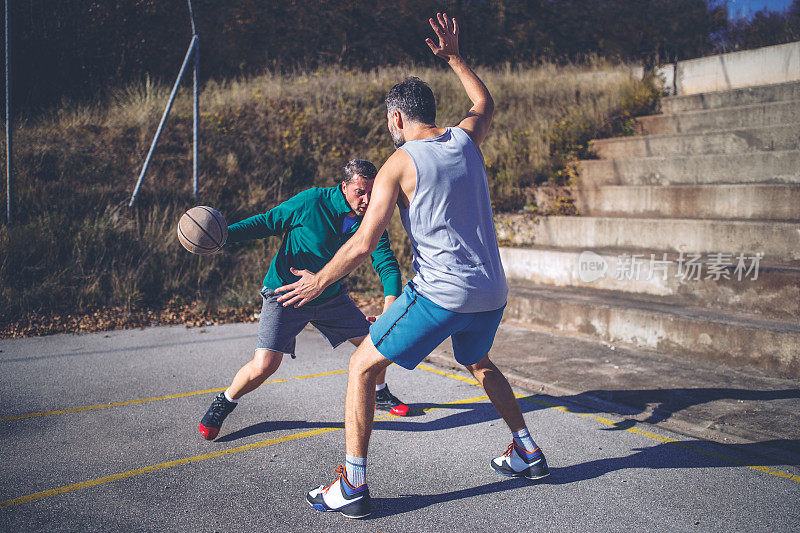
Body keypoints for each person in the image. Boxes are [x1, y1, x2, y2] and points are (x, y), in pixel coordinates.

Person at [276, 13, 550, 519]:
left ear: (398, 119)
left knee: (362, 368)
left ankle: (353, 485)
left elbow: (363, 243)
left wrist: (318, 281)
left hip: (441, 293)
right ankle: (527, 450)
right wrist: (453, 58)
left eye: (389, 122)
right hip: (491, 293)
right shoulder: (466, 139)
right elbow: (484, 103)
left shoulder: (398, 164)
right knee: (480, 362)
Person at [198, 159, 410, 442]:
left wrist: (388, 307)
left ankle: (379, 394)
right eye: (360, 191)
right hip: (286, 293)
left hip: (330, 297)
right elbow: (267, 222)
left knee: (376, 344)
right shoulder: (311, 202)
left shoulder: (372, 215)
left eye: (372, 192)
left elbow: (386, 262)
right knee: (265, 365)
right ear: (344, 186)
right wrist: (224, 237)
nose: (367, 200)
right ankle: (224, 402)